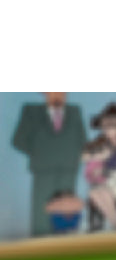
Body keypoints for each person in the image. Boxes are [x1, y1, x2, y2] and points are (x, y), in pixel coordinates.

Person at [10, 94, 86, 237]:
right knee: (42, 211)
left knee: (67, 211)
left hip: (68, 168)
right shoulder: (31, 112)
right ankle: (40, 244)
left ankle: (65, 245)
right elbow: (18, 140)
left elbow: (82, 140)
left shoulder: (75, 111)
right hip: (43, 169)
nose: (58, 94)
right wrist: (40, 152)